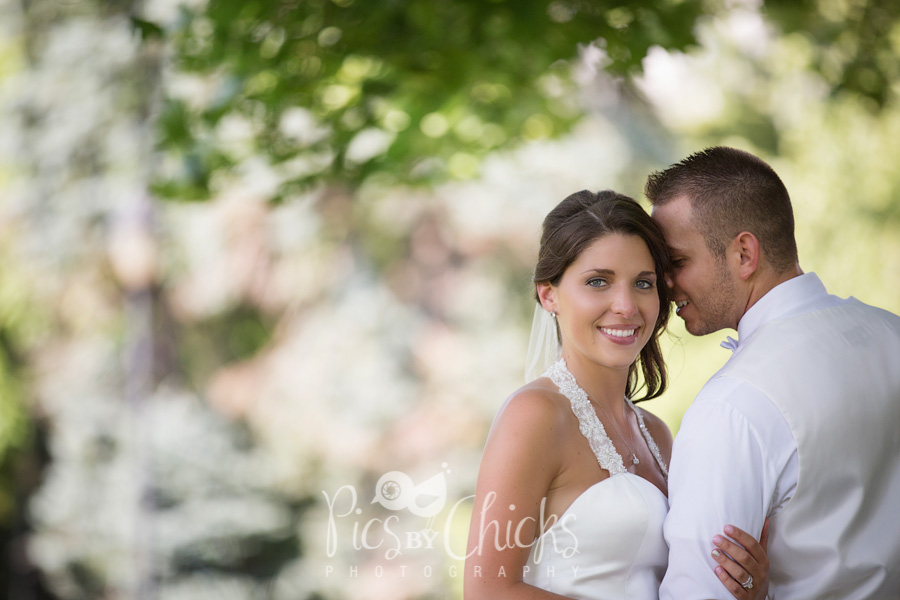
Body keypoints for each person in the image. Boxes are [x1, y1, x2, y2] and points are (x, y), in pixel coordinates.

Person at [464, 189, 769, 599]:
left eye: (642, 283)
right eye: (598, 282)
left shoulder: (657, 435)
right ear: (548, 294)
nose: (626, 305)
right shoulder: (535, 415)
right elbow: (487, 591)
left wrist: (745, 585)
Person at [646, 146, 900, 599]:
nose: (664, 285)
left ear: (745, 253)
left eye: (677, 262)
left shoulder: (734, 406)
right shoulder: (891, 333)